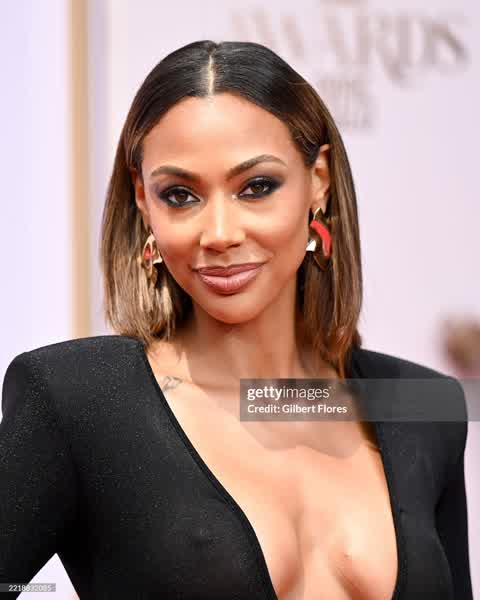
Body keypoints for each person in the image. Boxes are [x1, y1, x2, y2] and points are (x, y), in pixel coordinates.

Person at [0, 40, 473, 600]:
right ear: (143, 199)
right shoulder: (79, 401)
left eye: (256, 187)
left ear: (318, 180)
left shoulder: (421, 405)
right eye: (180, 195)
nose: (220, 233)